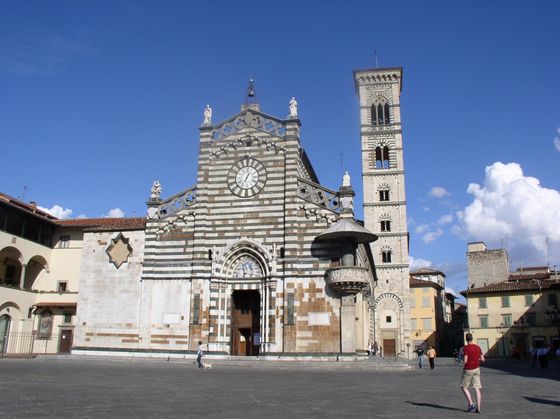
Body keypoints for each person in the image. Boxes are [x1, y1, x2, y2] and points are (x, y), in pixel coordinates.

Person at [460, 332, 485, 414]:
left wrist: (463, 361)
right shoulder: (478, 347)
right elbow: (483, 359)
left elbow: (465, 361)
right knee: (477, 388)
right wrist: (476, 360)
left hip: (468, 369)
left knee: (463, 386)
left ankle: (471, 403)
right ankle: (479, 408)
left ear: (466, 339)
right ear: (472, 338)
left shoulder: (466, 348)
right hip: (477, 369)